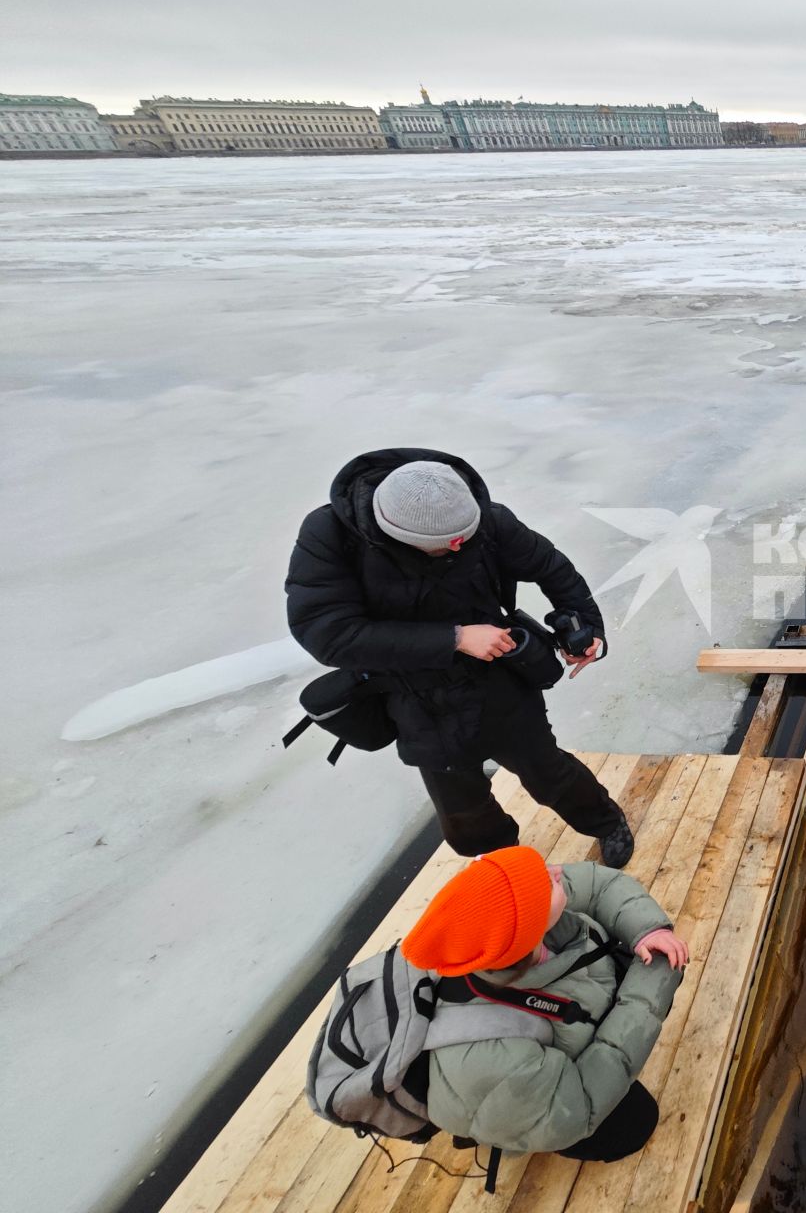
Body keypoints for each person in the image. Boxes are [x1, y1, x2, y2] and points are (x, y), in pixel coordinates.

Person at [286, 448, 634, 864]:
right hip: (414, 697)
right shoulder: (329, 536)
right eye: (443, 545)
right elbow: (327, 634)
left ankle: (606, 822)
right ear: (395, 533)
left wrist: (585, 628)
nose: (457, 546)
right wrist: (453, 638)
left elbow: (551, 568)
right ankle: (505, 867)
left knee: (548, 772)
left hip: (496, 680)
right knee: (463, 810)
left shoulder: (486, 518)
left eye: (464, 539)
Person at [400, 846, 690, 1161]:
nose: (554, 872)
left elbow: (598, 884)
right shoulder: (495, 1059)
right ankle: (518, 1129)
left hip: (565, 1015)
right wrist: (653, 979)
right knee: (635, 1124)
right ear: (526, 932)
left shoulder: (515, 931)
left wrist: (646, 930)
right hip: (518, 1094)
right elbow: (579, 1106)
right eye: (542, 881)